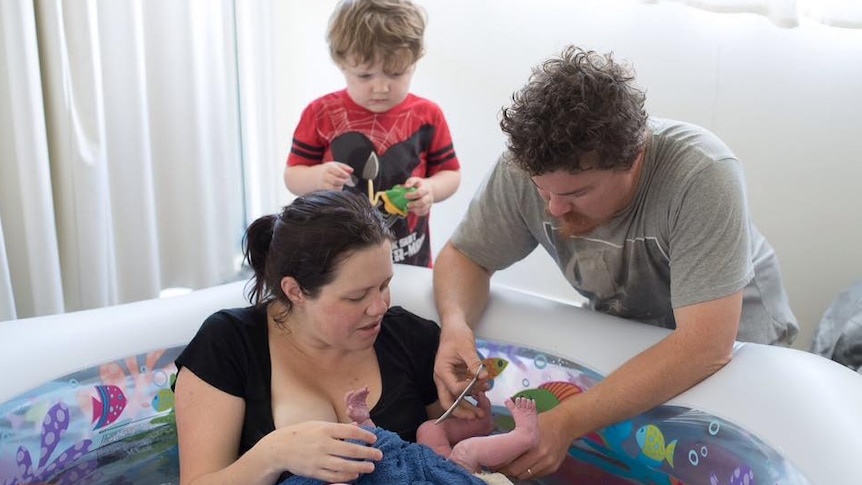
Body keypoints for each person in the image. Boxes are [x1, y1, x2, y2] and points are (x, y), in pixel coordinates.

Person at [431, 45, 799, 480]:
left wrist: (566, 421)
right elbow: (466, 256)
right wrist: (456, 324)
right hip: (628, 333)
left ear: (635, 156)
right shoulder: (527, 167)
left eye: (576, 194)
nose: (553, 209)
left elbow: (706, 347)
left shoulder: (701, 173)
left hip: (737, 345)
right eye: (543, 191)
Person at [174, 191, 446, 484]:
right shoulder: (228, 344)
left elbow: (456, 456)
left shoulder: (411, 337)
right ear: (295, 291)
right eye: (356, 297)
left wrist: (473, 415)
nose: (380, 306)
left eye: (384, 285)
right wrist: (274, 454)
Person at [284, 0, 461, 268]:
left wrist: (430, 190)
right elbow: (293, 176)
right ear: (341, 63)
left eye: (395, 74)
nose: (380, 87)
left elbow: (451, 174)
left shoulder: (428, 115)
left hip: (408, 256)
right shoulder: (319, 113)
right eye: (365, 76)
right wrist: (318, 177)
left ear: (414, 62)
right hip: (337, 259)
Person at [281, 387, 538, 485]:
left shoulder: (335, 472)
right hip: (451, 477)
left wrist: (363, 421)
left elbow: (376, 455)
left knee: (428, 430)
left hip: (425, 464)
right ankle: (524, 436)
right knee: (465, 453)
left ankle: (480, 426)